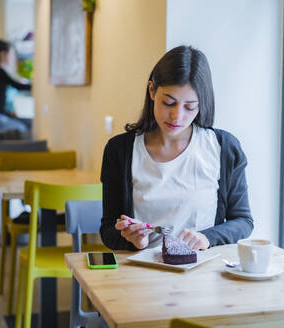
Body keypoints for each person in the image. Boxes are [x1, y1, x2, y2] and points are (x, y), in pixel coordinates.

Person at [100, 45, 254, 251]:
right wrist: (133, 240)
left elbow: (243, 221)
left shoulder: (224, 148)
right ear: (152, 91)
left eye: (190, 106)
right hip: (141, 273)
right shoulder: (120, 150)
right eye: (168, 103)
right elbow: (108, 229)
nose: (177, 116)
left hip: (201, 271)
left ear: (201, 105)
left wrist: (206, 238)